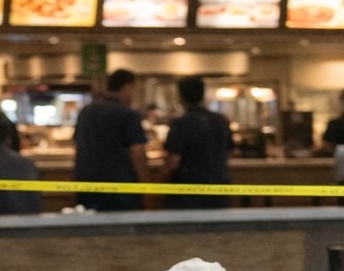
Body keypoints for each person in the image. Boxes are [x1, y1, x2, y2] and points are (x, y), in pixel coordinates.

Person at [72, 69, 150, 213]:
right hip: (120, 186)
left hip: (86, 185)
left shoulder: (86, 111)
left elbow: (77, 143)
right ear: (127, 87)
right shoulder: (127, 114)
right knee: (124, 230)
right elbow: (137, 152)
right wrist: (146, 187)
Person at [161, 76, 232, 210]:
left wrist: (161, 184)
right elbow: (228, 151)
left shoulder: (181, 123)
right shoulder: (221, 120)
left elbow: (173, 162)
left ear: (181, 96)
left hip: (188, 190)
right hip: (219, 186)